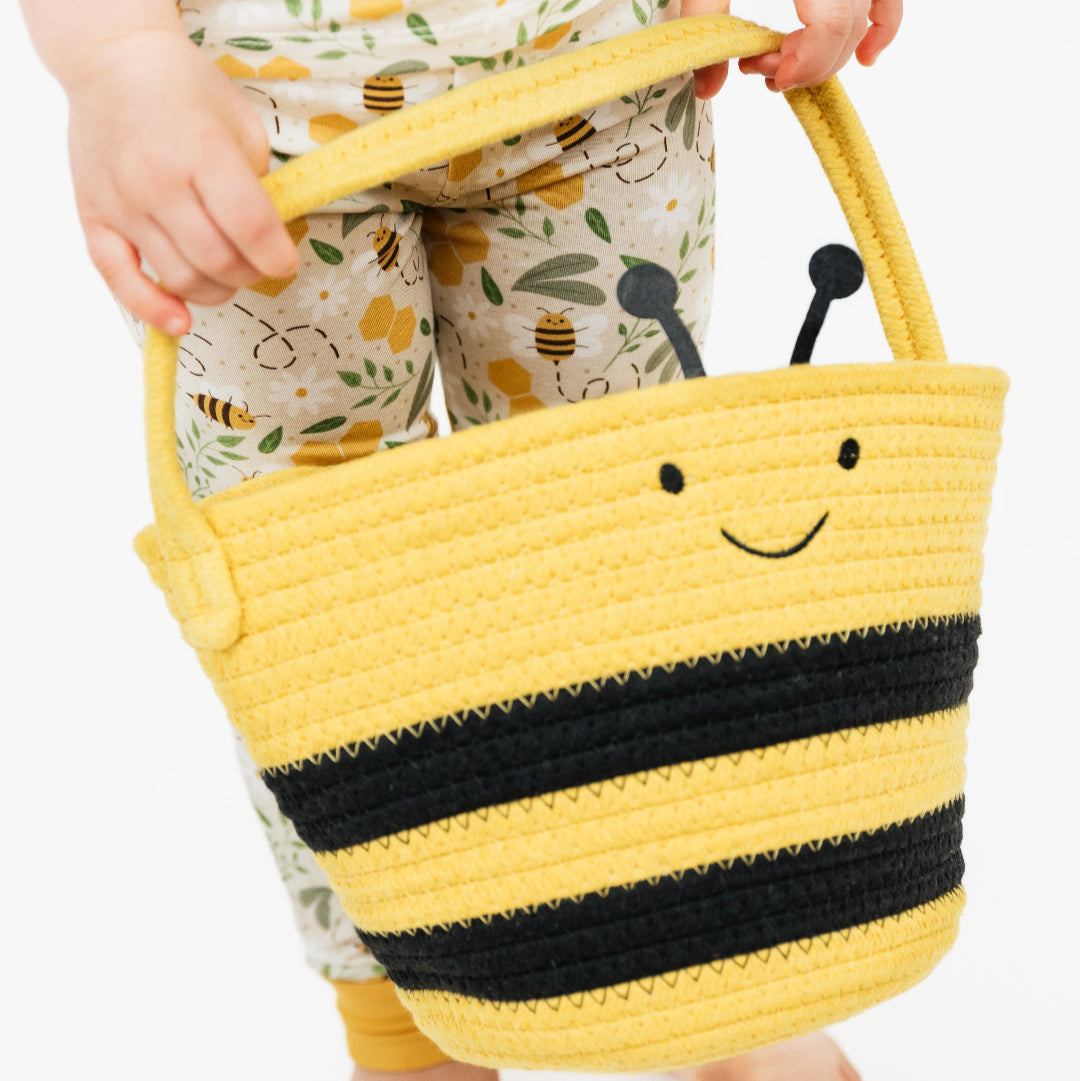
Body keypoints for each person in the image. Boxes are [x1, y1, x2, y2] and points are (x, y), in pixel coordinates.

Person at [17, 2, 901, 1079]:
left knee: (630, 550)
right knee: (320, 618)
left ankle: (701, 963)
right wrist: (117, 55)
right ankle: (406, 1018)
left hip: (591, 76)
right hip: (245, 126)